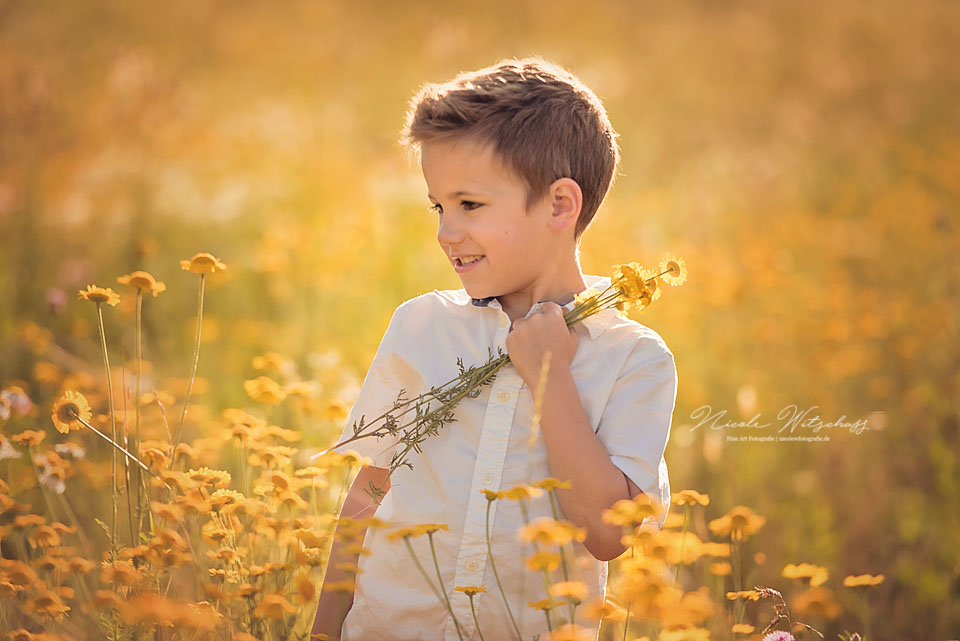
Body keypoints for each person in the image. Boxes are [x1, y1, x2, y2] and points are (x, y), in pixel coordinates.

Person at [311, 56, 678, 641]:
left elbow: (610, 535)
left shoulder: (631, 357)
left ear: (560, 205)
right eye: (438, 206)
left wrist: (551, 378)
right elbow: (367, 493)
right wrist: (323, 633)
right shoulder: (421, 327)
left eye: (470, 205)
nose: (446, 232)